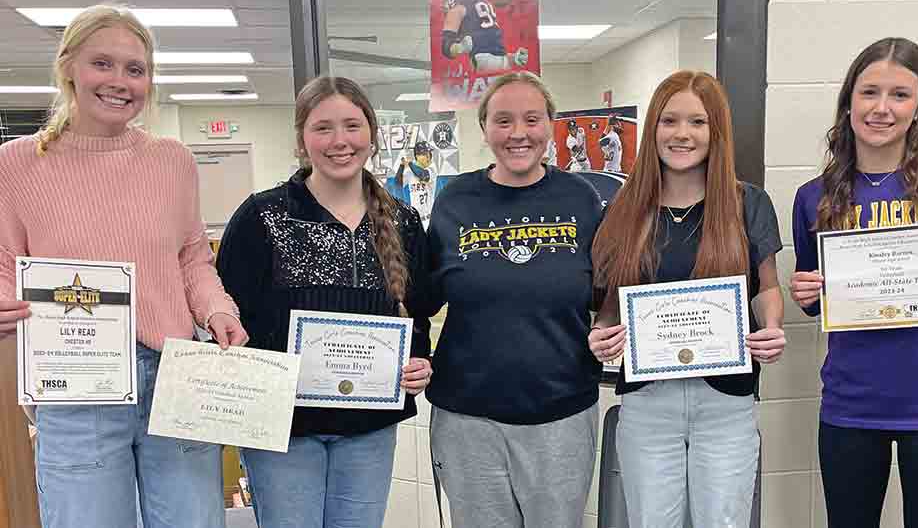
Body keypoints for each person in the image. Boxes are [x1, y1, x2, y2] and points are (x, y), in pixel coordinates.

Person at [0, 4, 248, 528]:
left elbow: (191, 258)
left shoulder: (172, 160)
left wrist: (217, 311)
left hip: (174, 376)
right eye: (102, 64)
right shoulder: (16, 164)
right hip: (76, 389)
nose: (120, 82)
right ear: (68, 65)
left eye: (135, 70)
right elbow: (5, 265)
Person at [789, 37, 918, 528]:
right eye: (869, 92)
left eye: (900, 95)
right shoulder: (813, 196)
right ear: (849, 102)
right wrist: (805, 294)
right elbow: (815, 300)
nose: (882, 108)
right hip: (851, 404)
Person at [215, 76, 433, 528]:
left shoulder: (404, 221)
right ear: (302, 139)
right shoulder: (263, 216)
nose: (340, 141)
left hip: (369, 429)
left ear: (371, 134)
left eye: (352, 126)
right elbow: (226, 315)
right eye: (323, 128)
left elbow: (417, 314)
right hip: (282, 430)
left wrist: (419, 361)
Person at [588, 70, 786, 528]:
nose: (682, 134)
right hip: (647, 402)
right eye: (669, 121)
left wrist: (772, 328)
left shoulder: (747, 203)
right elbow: (610, 307)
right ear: (652, 128)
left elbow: (767, 287)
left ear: (716, 131)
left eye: (697, 122)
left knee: (724, 521)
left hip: (726, 402)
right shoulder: (621, 211)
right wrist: (600, 334)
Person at [425, 71, 603, 528]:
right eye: (503, 121)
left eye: (531, 119)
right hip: (468, 417)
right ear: (485, 129)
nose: (518, 133)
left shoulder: (581, 199)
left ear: (550, 125)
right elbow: (419, 295)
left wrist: (610, 328)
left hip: (561, 412)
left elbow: (608, 293)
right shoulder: (455, 200)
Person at [440, 0, 529, 73]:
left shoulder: (459, 6)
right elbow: (446, 48)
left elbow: (447, 47)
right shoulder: (482, 2)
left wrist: (512, 58)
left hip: (485, 60)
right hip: (490, 61)